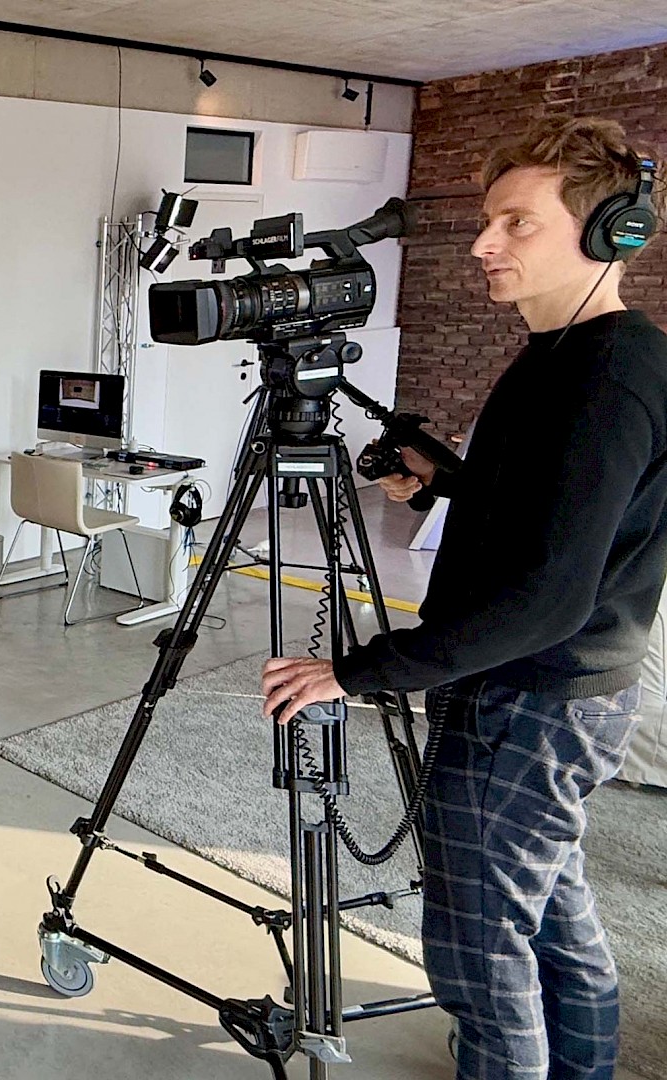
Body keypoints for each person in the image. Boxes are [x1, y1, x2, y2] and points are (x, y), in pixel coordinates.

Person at [261, 117, 667, 1079]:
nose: (486, 244)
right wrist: (450, 485)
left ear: (607, 230)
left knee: (482, 965)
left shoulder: (604, 379)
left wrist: (356, 673)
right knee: (555, 927)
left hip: (528, 701)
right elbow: (561, 517)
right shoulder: (571, 354)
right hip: (556, 697)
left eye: (517, 224)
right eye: (489, 221)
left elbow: (547, 598)